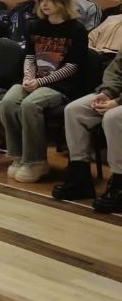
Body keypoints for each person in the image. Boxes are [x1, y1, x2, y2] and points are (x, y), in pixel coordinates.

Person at [0, 0, 88, 183]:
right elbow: (29, 56)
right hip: (34, 79)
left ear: (62, 1)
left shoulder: (76, 29)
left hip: (61, 85)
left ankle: (36, 161)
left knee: (30, 104)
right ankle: (18, 156)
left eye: (50, 0)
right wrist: (28, 77)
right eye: (42, 0)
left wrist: (40, 82)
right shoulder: (35, 26)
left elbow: (72, 67)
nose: (44, 4)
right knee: (7, 102)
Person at [52, 49, 122, 212]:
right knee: (74, 110)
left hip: (119, 102)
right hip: (116, 96)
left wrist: (117, 102)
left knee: (113, 118)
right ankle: (80, 178)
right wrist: (107, 92)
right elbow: (116, 70)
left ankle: (119, 184)